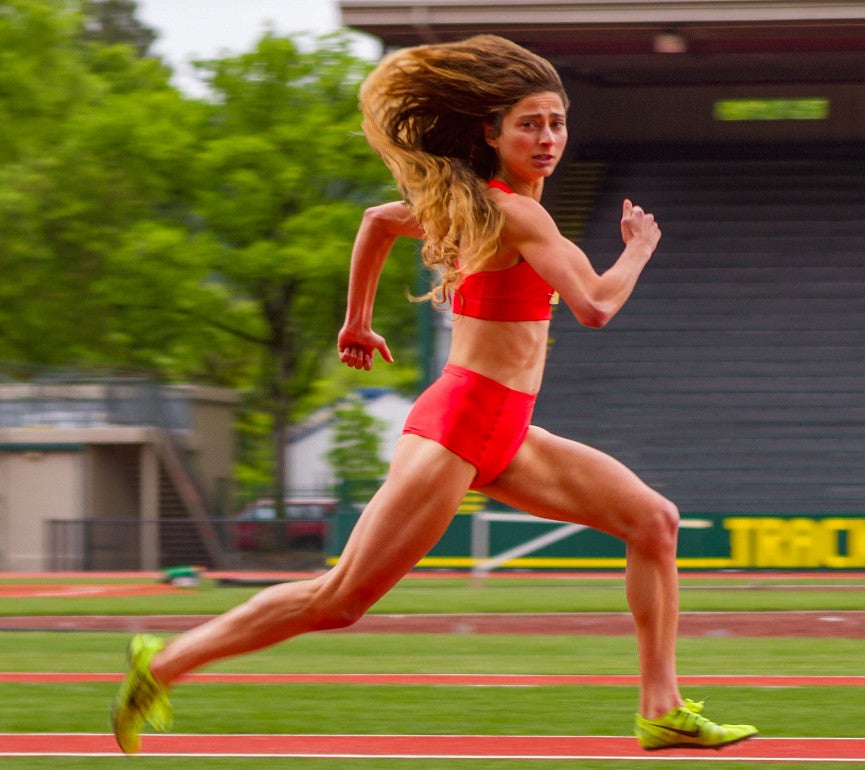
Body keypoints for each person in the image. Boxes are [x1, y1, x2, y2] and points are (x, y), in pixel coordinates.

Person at [110, 34, 757, 755]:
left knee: (654, 523)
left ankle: (661, 708)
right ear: (492, 133)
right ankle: (161, 664)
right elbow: (596, 307)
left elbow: (378, 221)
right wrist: (637, 248)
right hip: (457, 428)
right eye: (529, 124)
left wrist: (357, 322)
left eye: (557, 123)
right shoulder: (516, 213)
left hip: (506, 431)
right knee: (340, 600)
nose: (547, 138)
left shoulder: (477, 205)